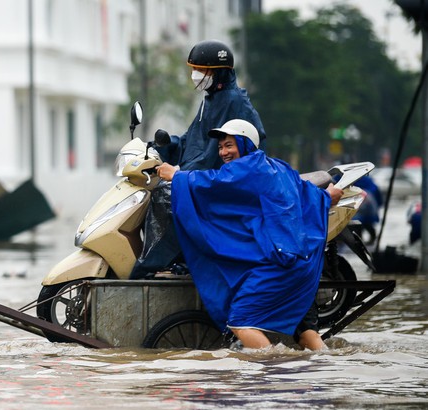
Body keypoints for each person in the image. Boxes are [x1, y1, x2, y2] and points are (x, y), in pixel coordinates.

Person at [156, 119, 343, 351]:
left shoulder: (247, 169)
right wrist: (327, 197)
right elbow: (307, 193)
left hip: (279, 264)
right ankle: (331, 374)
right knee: (306, 335)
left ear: (245, 144)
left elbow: (212, 183)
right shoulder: (277, 166)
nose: (224, 152)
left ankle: (270, 373)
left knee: (240, 321)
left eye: (229, 145)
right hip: (302, 265)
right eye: (221, 147)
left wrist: (177, 175)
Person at [131, 39, 267, 279]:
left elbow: (217, 153)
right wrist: (165, 146)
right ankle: (172, 259)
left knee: (166, 197)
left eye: (201, 70)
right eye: (194, 69)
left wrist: (180, 174)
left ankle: (155, 265)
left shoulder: (233, 101)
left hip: (226, 180)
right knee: (161, 190)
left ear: (219, 72)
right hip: (205, 175)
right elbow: (193, 139)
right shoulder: (213, 99)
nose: (196, 75)